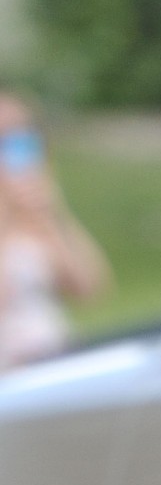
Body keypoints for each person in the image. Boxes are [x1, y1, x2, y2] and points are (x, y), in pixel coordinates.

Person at [0, 91, 112, 370]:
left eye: (22, 135)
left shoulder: (39, 208)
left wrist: (50, 217)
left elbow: (90, 289)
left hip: (54, 357)